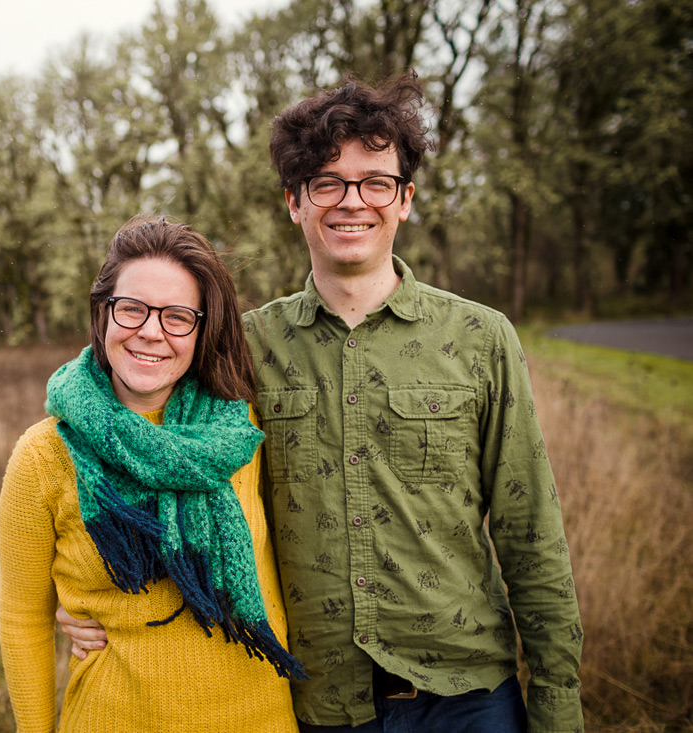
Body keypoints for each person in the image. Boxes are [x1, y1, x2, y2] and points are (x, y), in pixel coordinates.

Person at [60, 73, 584, 732]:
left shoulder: (482, 339)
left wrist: (559, 698)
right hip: (321, 701)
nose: (352, 201)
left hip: (468, 696)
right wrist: (80, 594)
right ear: (295, 201)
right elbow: (152, 452)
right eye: (327, 182)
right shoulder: (245, 346)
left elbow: (531, 529)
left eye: (375, 181)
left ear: (405, 199)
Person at [0, 216, 303, 733]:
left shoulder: (243, 430)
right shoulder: (43, 455)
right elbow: (22, 619)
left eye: (178, 316)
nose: (151, 331)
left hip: (259, 718)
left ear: (203, 329)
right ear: (102, 313)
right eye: (132, 308)